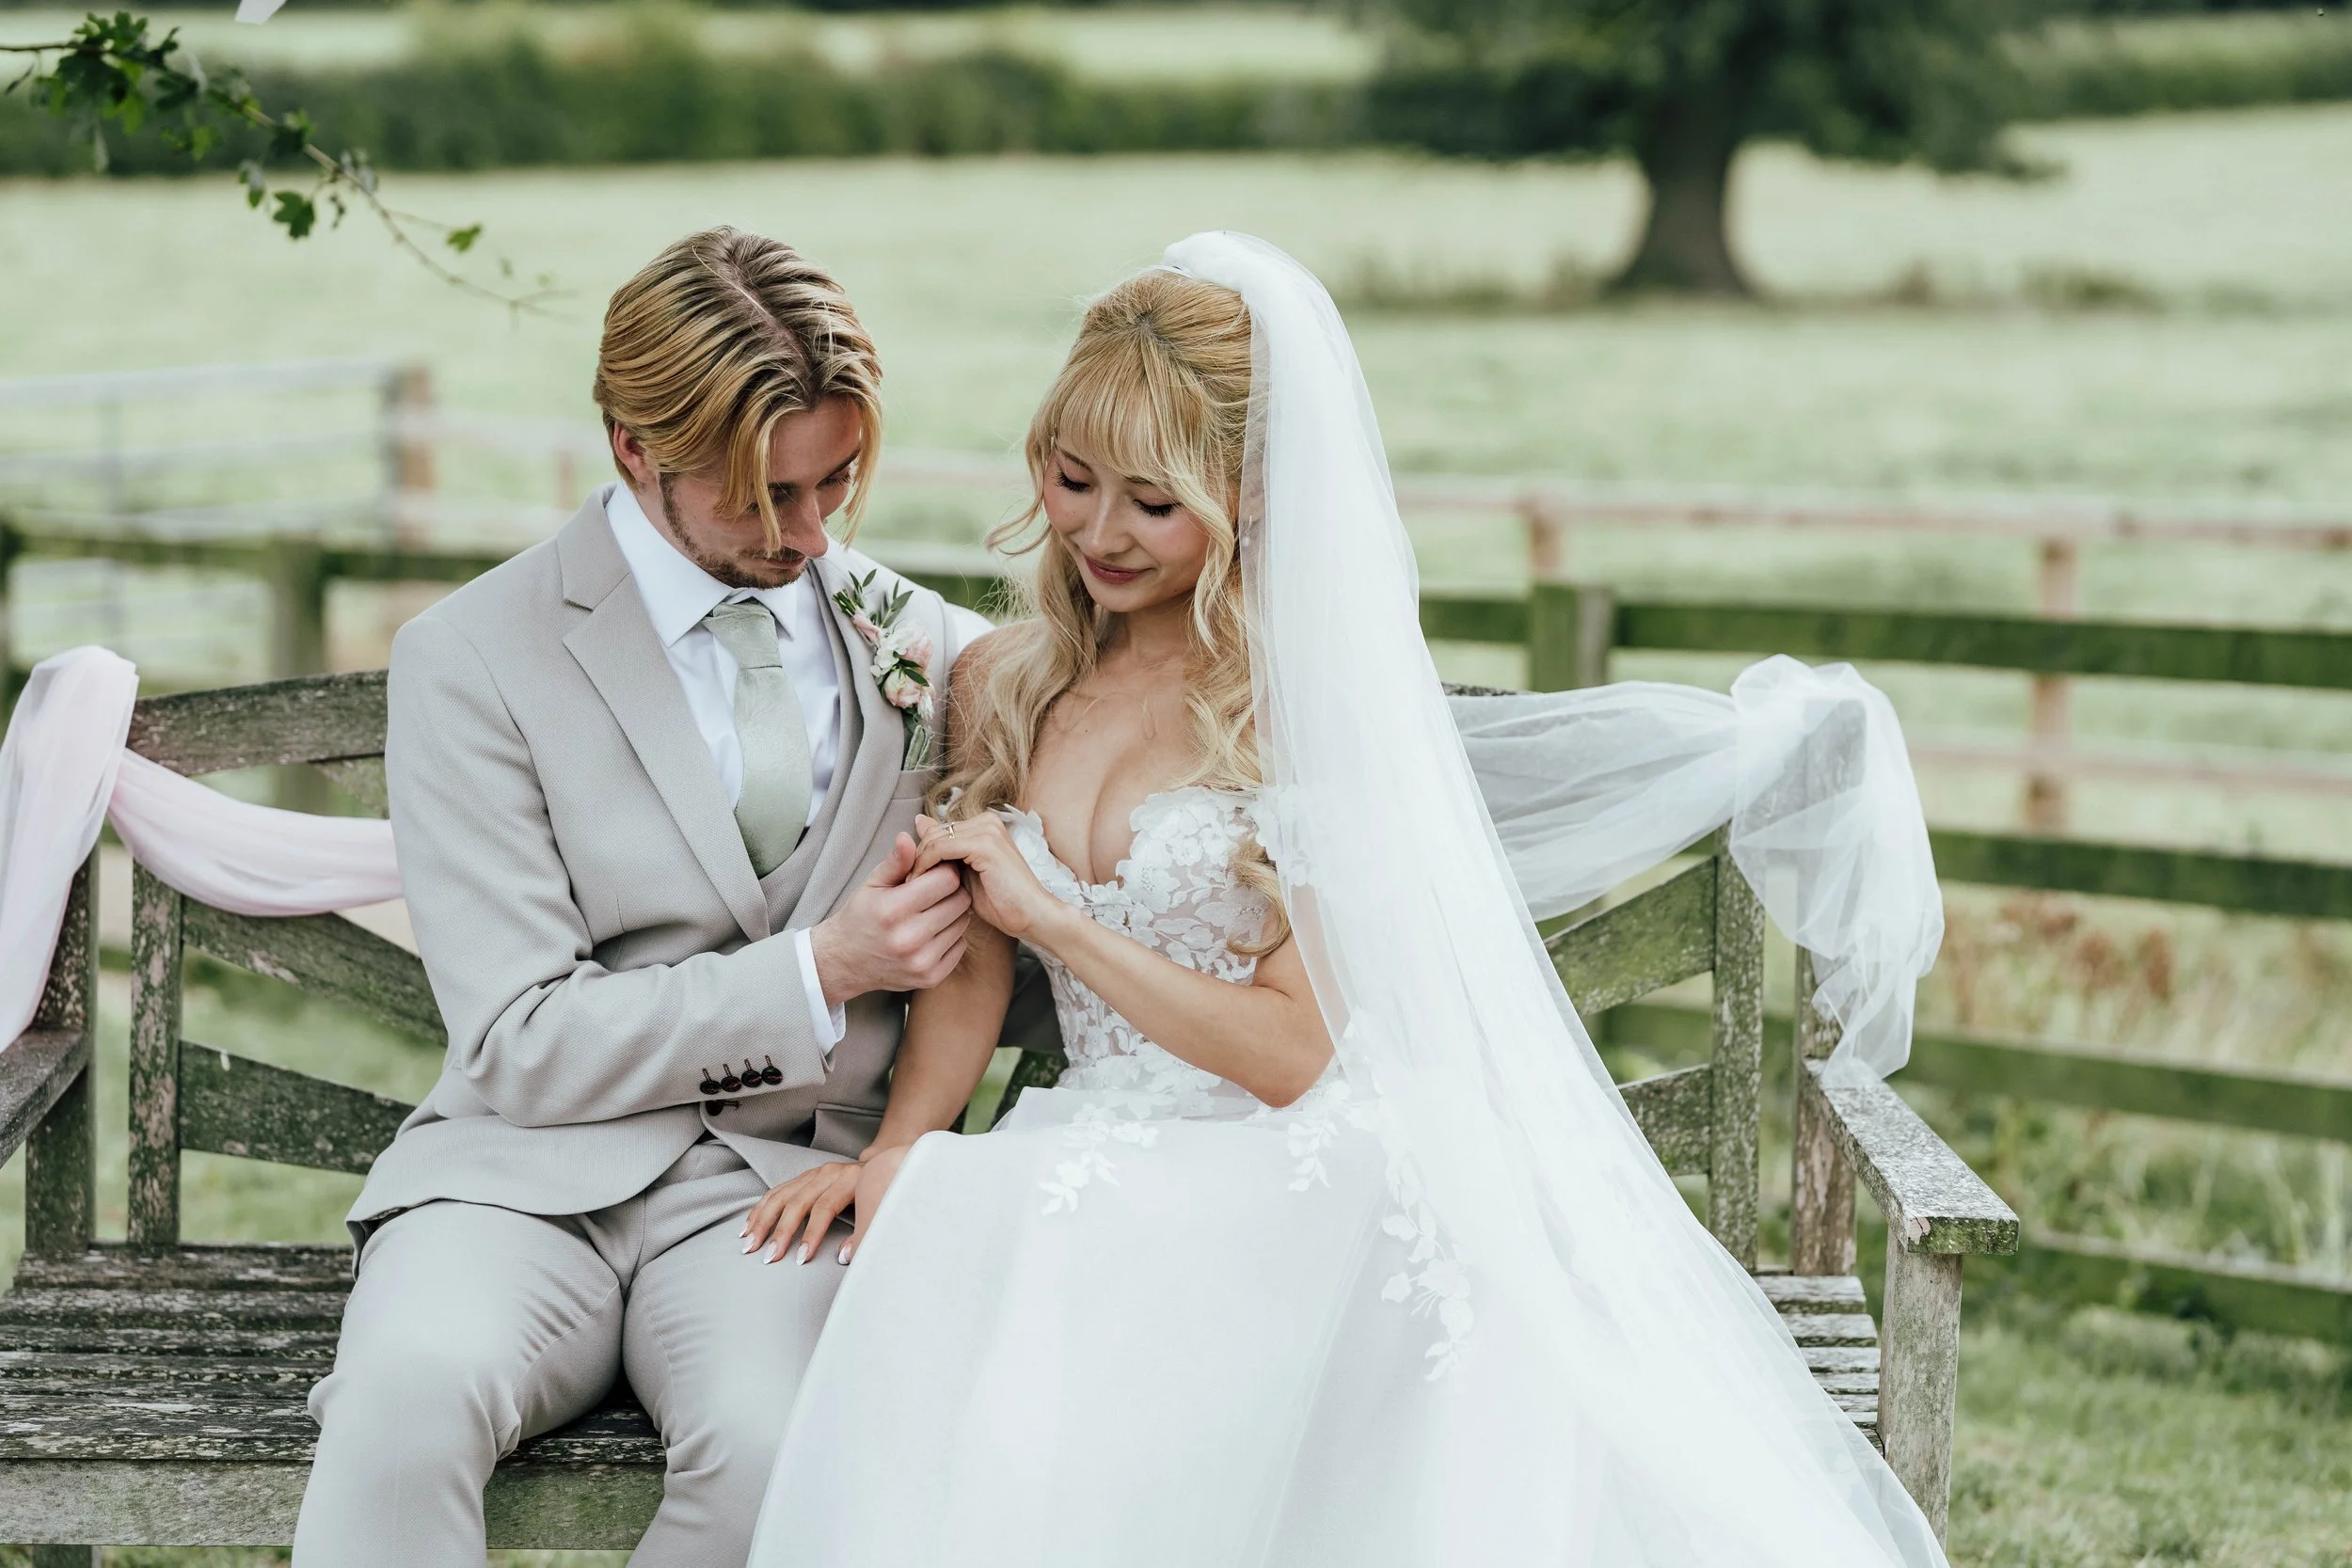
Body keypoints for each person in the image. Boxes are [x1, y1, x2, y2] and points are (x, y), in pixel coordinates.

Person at [740, 234, 1954, 1566]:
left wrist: (1061, 921)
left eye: (1153, 501)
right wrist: (904, 1142)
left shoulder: (1296, 713)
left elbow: (1291, 1050)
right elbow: (971, 963)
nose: (1097, 533)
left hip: (1302, 1157)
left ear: (1250, 492)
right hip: (1097, 1132)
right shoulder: (1006, 682)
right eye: (1072, 480)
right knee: (961, 1252)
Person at [293, 228, 1002, 1567]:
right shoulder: (471, 659)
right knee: (401, 1400)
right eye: (764, 497)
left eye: (837, 483)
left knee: (789, 1450)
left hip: (787, 1185)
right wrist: (822, 970)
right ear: (632, 447)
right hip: (516, 1180)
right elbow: (518, 1036)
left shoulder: (931, 652)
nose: (812, 536)